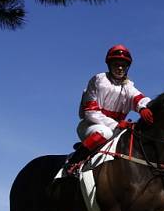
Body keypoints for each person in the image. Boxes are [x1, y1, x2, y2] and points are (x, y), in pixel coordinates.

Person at [63, 44, 154, 176]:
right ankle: (73, 162)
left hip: (117, 129)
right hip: (91, 125)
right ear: (109, 65)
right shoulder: (98, 80)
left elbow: (138, 98)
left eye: (123, 65)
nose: (120, 68)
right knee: (104, 132)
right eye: (117, 64)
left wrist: (144, 108)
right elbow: (90, 113)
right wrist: (116, 124)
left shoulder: (127, 85)